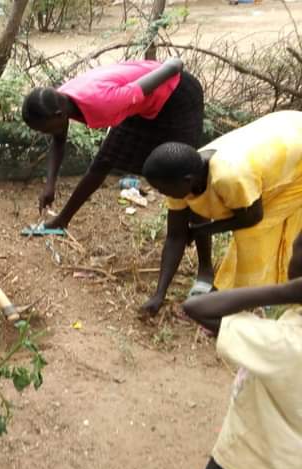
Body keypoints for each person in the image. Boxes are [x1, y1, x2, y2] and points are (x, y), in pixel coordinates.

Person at [21, 59, 212, 296]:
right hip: (142, 103)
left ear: (58, 115)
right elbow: (59, 140)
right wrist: (50, 184)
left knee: (186, 178)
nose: (45, 133)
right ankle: (61, 221)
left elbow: (172, 68)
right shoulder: (60, 100)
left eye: (44, 129)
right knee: (104, 161)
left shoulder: (103, 103)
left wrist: (172, 65)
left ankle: (205, 271)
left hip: (177, 95)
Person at [180, 232, 302, 469]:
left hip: (253, 461)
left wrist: (284, 291)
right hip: (296, 466)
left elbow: (197, 308)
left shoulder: (285, 342)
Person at [141, 110, 302, 315]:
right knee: (209, 211)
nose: (159, 193)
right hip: (280, 131)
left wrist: (201, 230)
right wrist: (159, 295)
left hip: (295, 152)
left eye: (161, 188)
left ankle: (246, 306)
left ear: (187, 181)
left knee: (254, 235)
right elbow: (176, 236)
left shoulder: (229, 177)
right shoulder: (181, 175)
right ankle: (219, 285)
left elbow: (253, 217)